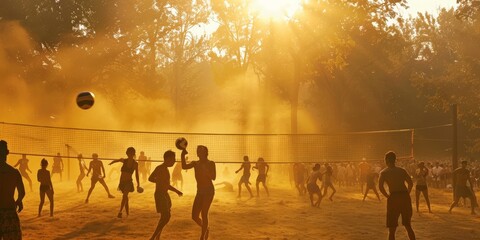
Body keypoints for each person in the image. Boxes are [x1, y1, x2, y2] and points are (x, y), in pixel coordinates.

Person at [378, 151, 415, 240]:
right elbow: (410, 183)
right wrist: (407, 193)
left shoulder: (384, 172)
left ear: (386, 160)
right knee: (408, 225)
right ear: (395, 160)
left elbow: (380, 187)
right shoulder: (402, 170)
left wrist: (387, 196)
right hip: (404, 196)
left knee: (392, 228)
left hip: (393, 197)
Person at [182, 145, 216, 240]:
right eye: (198, 151)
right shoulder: (195, 163)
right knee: (194, 216)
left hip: (209, 190)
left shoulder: (211, 163)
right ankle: (206, 228)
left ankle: (202, 237)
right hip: (200, 191)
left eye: (201, 151)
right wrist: (182, 155)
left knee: (204, 213)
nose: (199, 152)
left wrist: (207, 172)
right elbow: (184, 166)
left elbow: (214, 177)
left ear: (206, 152)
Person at [148, 150, 183, 240]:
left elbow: (163, 183)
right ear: (167, 159)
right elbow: (151, 178)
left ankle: (157, 237)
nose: (174, 161)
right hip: (160, 194)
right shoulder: (161, 168)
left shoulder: (164, 169)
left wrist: (176, 191)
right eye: (172, 159)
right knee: (166, 217)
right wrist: (159, 181)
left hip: (164, 194)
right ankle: (153, 237)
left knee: (165, 216)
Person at [0, 140, 25, 239]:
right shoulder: (14, 172)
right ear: (7, 153)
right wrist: (18, 201)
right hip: (9, 212)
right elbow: (22, 192)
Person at [110, 147, 141, 218]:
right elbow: (118, 160)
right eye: (128, 153)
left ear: (133, 154)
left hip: (128, 182)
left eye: (131, 153)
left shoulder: (135, 164)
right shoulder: (124, 160)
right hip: (122, 182)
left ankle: (120, 212)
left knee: (124, 196)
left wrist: (138, 184)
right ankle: (127, 213)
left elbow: (137, 174)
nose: (130, 154)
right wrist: (112, 162)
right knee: (125, 197)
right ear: (127, 153)